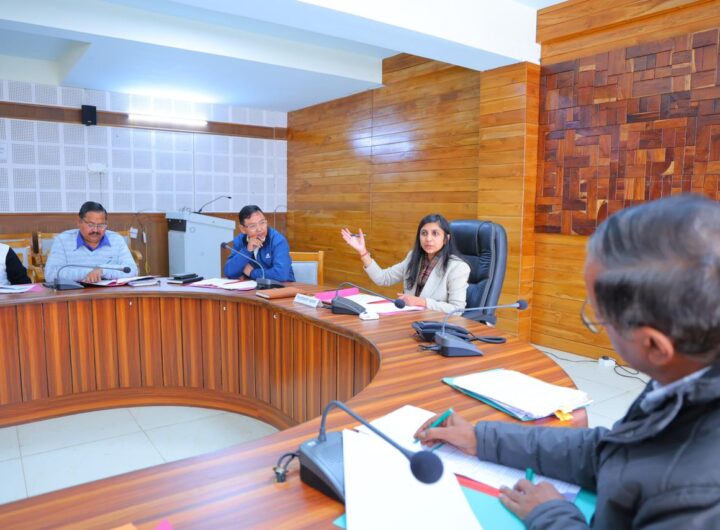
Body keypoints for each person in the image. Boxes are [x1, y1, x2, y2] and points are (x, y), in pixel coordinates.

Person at [415, 194, 720, 529]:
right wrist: (481, 438)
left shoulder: (698, 498)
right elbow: (610, 450)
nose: (597, 323)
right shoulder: (685, 377)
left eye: (598, 317)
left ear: (655, 346)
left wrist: (551, 514)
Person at [341, 213, 470, 313]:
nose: (428, 239)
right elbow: (383, 278)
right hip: (409, 319)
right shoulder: (413, 257)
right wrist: (363, 251)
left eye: (435, 234)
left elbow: (457, 309)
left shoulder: (458, 267)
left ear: (446, 239)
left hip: (437, 325)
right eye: (424, 233)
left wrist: (422, 302)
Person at [44, 201, 138, 283]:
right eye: (91, 225)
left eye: (101, 225)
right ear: (79, 222)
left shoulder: (117, 240)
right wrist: (89, 273)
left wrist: (102, 271)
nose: (95, 230)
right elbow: (51, 275)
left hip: (109, 294)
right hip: (75, 295)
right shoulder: (63, 240)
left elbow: (132, 271)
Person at [224, 205, 295, 282]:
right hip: (253, 287)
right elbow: (229, 272)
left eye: (262, 223)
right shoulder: (239, 241)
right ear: (243, 229)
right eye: (253, 226)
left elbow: (281, 274)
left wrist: (251, 272)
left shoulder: (278, 240)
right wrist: (247, 251)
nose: (259, 229)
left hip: (284, 287)